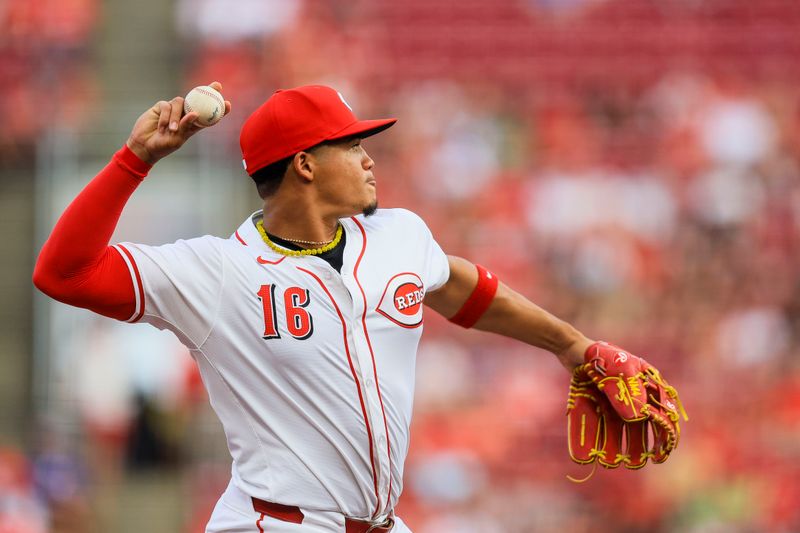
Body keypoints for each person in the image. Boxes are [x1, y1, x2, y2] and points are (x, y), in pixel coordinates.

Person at [33, 82, 681, 532]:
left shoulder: (396, 235)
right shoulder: (217, 273)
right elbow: (63, 272)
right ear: (306, 164)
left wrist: (571, 345)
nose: (369, 157)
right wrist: (135, 159)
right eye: (351, 145)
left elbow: (465, 288)